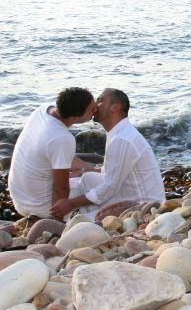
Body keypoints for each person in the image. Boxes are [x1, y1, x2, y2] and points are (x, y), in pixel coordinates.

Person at [49, 88, 165, 221]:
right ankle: (93, 215)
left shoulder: (122, 139)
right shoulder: (118, 131)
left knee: (78, 223)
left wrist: (71, 204)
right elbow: (111, 172)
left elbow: (110, 186)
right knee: (87, 178)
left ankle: (90, 219)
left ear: (114, 108)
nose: (94, 105)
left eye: (100, 100)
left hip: (144, 205)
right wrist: (82, 171)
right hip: (128, 193)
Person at [8, 87, 96, 220]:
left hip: (19, 198)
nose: (95, 110)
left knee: (88, 173)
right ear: (75, 117)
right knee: (99, 185)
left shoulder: (43, 110)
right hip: (39, 206)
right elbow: (61, 188)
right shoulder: (62, 138)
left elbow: (61, 156)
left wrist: (93, 169)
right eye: (91, 110)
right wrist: (57, 222)